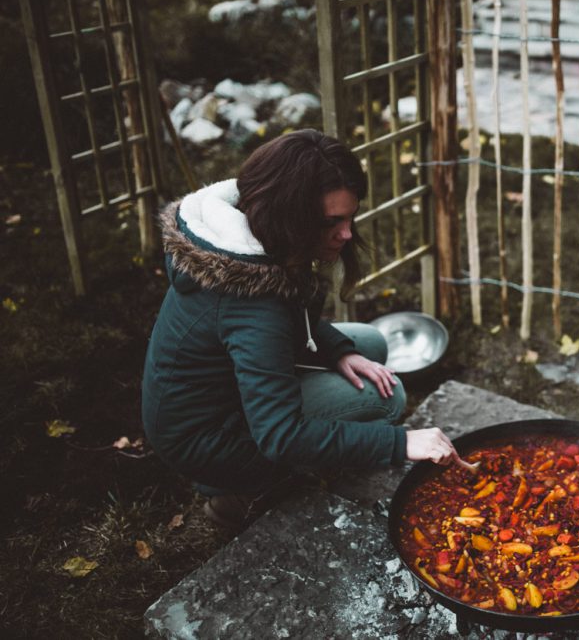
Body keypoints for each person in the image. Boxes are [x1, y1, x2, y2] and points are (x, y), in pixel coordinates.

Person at [141, 129, 459, 529]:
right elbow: (280, 434)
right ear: (290, 215)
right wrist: (402, 443)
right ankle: (237, 495)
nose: (345, 235)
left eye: (349, 218)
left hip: (221, 397)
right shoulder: (252, 306)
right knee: (389, 399)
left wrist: (341, 351)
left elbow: (290, 320)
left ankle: (284, 455)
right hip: (209, 440)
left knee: (371, 344)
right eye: (331, 222)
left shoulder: (243, 243)